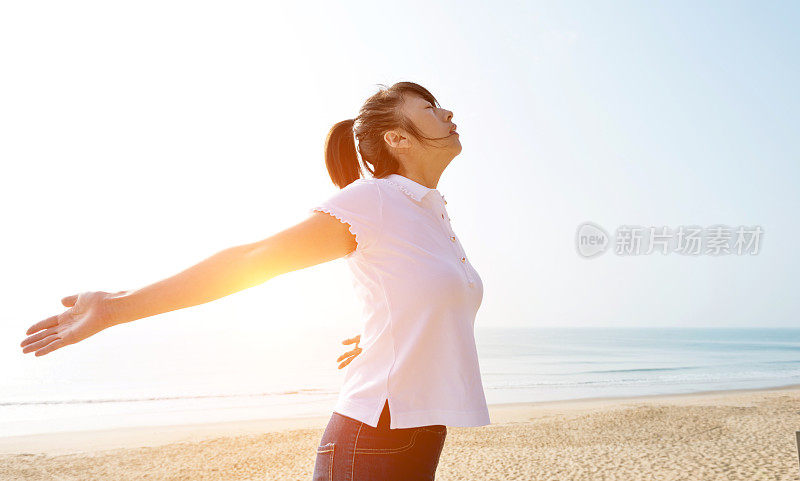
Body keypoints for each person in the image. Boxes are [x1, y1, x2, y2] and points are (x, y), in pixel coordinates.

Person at [19, 81, 488, 481]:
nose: (446, 111)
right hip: (375, 436)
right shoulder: (374, 200)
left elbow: (414, 295)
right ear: (397, 139)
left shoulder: (430, 209)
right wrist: (116, 306)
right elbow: (254, 258)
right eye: (429, 108)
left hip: (417, 431)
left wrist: (386, 331)